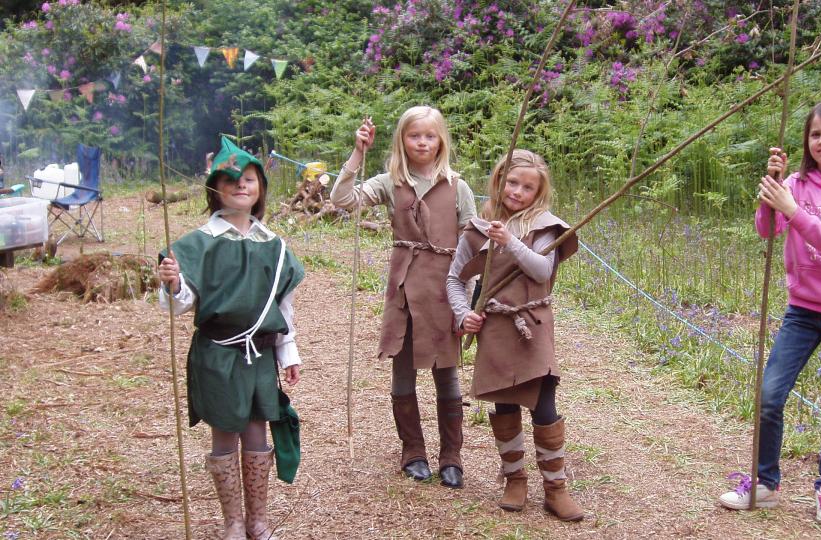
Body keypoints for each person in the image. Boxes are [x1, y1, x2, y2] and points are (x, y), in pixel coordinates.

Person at [718, 101, 821, 526]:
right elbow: (768, 230)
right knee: (770, 394)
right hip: (803, 309)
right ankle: (765, 483)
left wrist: (791, 208)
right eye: (815, 134)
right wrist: (772, 194)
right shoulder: (795, 182)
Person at [157, 136, 304, 540]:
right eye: (232, 179)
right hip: (217, 355)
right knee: (224, 432)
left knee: (257, 431)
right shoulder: (195, 245)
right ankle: (233, 525)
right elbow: (180, 305)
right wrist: (172, 285)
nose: (241, 185)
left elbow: (283, 307)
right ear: (216, 188)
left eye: (250, 179)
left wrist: (287, 352)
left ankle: (258, 522)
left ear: (260, 190)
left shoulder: (274, 246)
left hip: (258, 356)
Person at [330, 106, 477, 488]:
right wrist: (357, 154)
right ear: (402, 140)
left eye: (429, 136)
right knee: (404, 371)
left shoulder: (457, 186)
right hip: (405, 293)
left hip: (446, 292)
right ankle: (413, 451)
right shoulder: (389, 182)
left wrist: (466, 307)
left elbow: (473, 251)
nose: (422, 143)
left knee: (447, 374)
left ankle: (452, 457)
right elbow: (343, 199)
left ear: (441, 140)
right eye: (414, 136)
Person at [446, 150, 583, 521]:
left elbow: (541, 270)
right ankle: (515, 480)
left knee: (543, 404)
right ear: (498, 181)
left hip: (532, 328)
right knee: (504, 403)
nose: (517, 192)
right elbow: (455, 279)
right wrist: (463, 313)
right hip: (496, 328)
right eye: (512, 183)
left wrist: (510, 241)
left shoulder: (545, 226)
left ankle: (556, 488)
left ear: (539, 193)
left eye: (528, 187)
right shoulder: (478, 228)